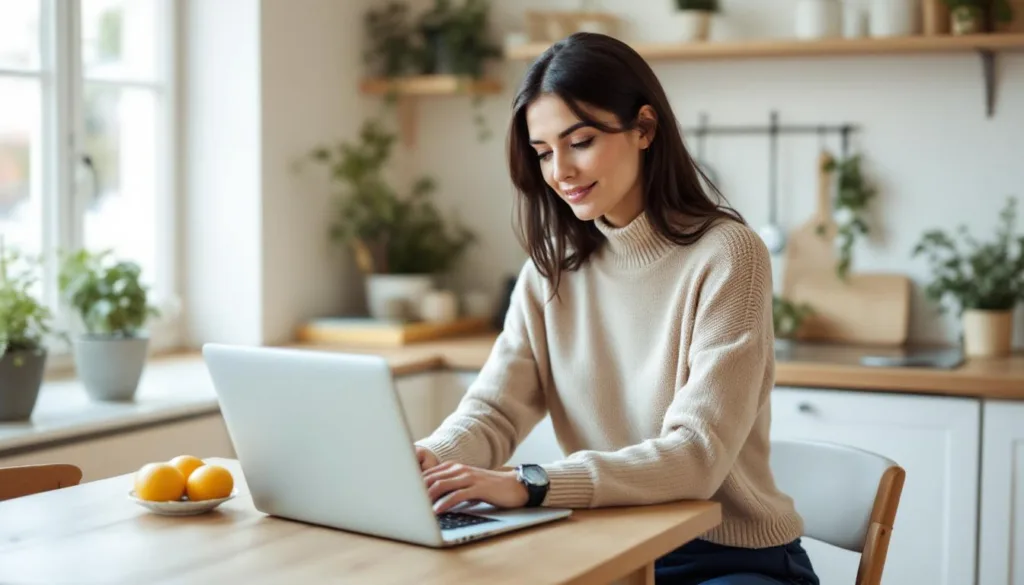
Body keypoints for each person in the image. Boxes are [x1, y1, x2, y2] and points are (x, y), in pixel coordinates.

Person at [413, 32, 819, 585]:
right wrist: (429, 461)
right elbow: (495, 411)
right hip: (608, 547)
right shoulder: (550, 271)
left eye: (579, 141)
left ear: (645, 128)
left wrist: (532, 483)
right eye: (543, 153)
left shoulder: (728, 256)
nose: (560, 172)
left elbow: (696, 455)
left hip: (726, 558)